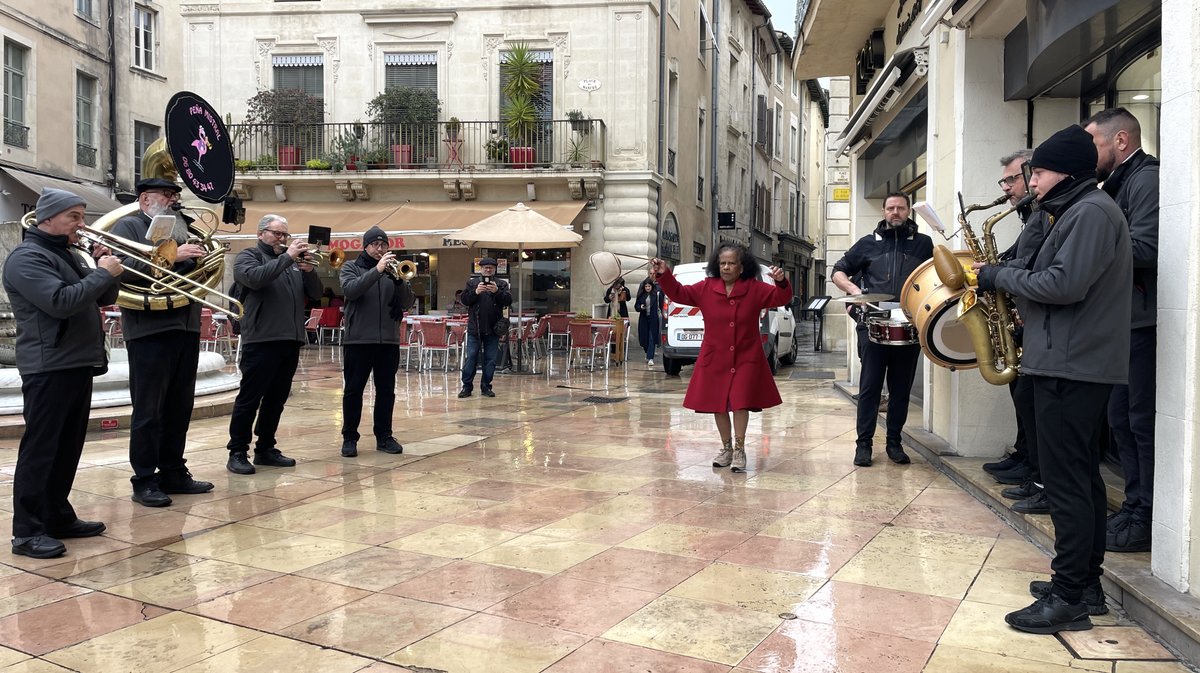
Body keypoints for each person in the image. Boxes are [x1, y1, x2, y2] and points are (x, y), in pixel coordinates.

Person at [975, 124, 1131, 634]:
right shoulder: (1080, 210)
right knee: (1082, 480)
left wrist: (998, 277)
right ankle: (1084, 585)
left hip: (1071, 363)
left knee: (1067, 485)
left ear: (1063, 171)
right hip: (1069, 359)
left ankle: (1069, 598)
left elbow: (1063, 284)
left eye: (1036, 173)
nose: (1032, 182)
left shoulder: (1088, 212)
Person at [2, 188, 123, 558]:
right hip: (48, 365)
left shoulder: (70, 254)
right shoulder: (26, 258)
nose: (81, 224)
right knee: (42, 450)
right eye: (74, 216)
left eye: (82, 216)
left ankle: (56, 515)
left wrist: (105, 269)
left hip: (75, 362)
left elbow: (103, 298)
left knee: (67, 448)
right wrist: (100, 273)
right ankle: (27, 531)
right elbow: (59, 303)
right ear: (49, 218)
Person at [110, 178, 214, 507]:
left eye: (174, 195)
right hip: (149, 328)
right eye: (166, 195)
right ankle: (143, 478)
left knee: (179, 407)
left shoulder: (181, 227)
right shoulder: (129, 226)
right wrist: (175, 254)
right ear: (145, 199)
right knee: (148, 410)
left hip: (184, 325)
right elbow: (125, 268)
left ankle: (172, 470)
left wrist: (197, 257)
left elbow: (194, 272)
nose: (173, 200)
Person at [1085, 108, 1159, 554]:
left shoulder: (1146, 180)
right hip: (1121, 321)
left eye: (1094, 143)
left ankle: (1145, 516)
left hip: (1140, 321)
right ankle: (1133, 507)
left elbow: (1146, 247)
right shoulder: (1116, 185)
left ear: (1122, 141)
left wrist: (1086, 241)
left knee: (1137, 422)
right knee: (1120, 421)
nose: (1090, 153)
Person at [648, 244, 791, 473]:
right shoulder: (706, 288)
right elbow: (678, 293)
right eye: (723, 263)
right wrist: (664, 274)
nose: (726, 267)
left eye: (731, 263)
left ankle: (740, 449)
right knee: (719, 404)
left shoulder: (755, 288)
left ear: (741, 267)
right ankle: (726, 449)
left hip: (746, 356)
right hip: (715, 357)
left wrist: (782, 281)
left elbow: (782, 297)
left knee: (740, 402)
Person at [831, 192, 933, 467]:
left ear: (909, 210)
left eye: (900, 208)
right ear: (883, 211)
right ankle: (863, 445)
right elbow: (838, 271)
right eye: (890, 208)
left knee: (901, 390)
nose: (895, 212)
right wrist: (854, 292)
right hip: (872, 324)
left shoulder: (924, 244)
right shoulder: (866, 244)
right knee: (870, 388)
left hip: (908, 326)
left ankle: (894, 444)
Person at [226, 214, 323, 474]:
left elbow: (315, 295)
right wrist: (287, 257)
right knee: (249, 398)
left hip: (289, 340)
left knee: (276, 399)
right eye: (276, 234)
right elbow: (255, 279)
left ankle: (265, 448)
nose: (281, 239)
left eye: (284, 234)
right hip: (260, 339)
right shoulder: (249, 256)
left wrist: (311, 272)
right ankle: (237, 451)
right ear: (261, 234)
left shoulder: (291, 263)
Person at [986, 149, 1051, 516]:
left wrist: (998, 274)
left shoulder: (1049, 215)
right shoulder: (1030, 217)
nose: (1007, 187)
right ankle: (1029, 463)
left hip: (1041, 324)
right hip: (1026, 318)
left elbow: (1040, 268)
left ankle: (1040, 476)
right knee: (1023, 398)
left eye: (1012, 179)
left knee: (1031, 400)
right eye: (1006, 180)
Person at [338, 226, 410, 457]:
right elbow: (351, 291)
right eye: (375, 245)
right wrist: (377, 270)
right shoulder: (351, 267)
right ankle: (350, 438)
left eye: (383, 245)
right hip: (358, 340)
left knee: (386, 391)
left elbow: (407, 302)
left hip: (388, 340)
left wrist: (399, 281)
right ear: (366, 246)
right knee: (353, 391)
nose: (380, 249)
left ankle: (384, 436)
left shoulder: (393, 271)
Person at [458, 258, 512, 398]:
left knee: (490, 360)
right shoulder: (472, 283)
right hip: (474, 328)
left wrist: (497, 292)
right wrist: (475, 292)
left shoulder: (501, 284)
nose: (488, 270)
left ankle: (486, 387)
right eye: (486, 267)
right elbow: (464, 300)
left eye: (491, 268)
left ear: (495, 269)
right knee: (471, 358)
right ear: (480, 269)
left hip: (493, 329)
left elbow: (508, 301)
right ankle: (466, 387)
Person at [634, 278, 663, 368]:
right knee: (644, 339)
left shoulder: (657, 295)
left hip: (654, 318)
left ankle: (651, 358)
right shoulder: (641, 295)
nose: (647, 288)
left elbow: (662, 306)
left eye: (649, 286)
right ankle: (647, 353)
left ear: (652, 286)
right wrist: (641, 307)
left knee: (652, 338)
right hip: (644, 319)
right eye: (646, 286)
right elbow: (636, 306)